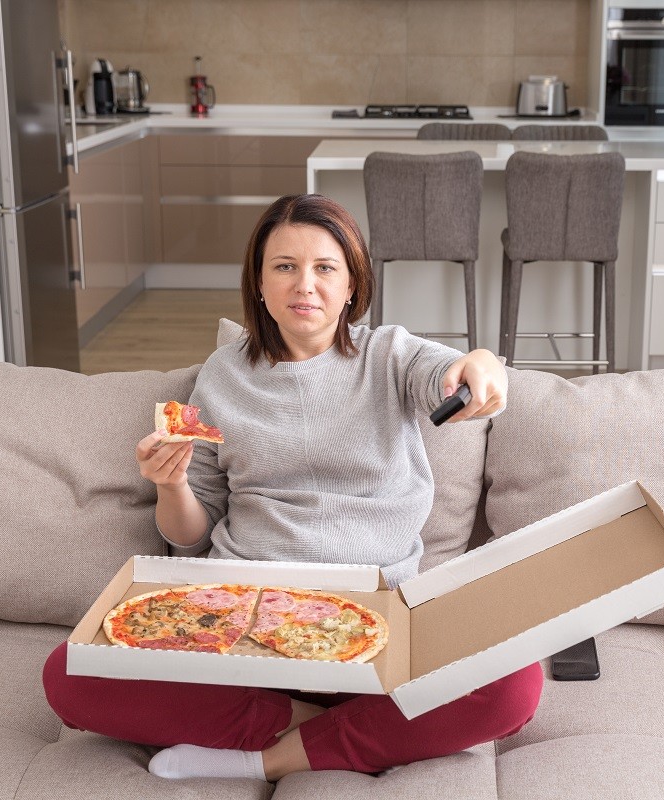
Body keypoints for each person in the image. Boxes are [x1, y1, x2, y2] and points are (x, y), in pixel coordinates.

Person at [42, 194, 543, 782]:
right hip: (243, 620)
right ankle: (345, 727)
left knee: (516, 685)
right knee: (68, 675)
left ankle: (268, 758)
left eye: (325, 268)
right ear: (258, 282)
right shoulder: (222, 376)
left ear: (353, 284)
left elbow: (448, 373)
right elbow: (188, 535)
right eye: (284, 266)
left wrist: (483, 362)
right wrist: (170, 485)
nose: (305, 285)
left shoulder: (389, 356)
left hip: (380, 618)